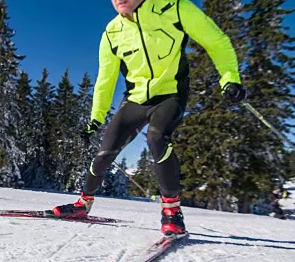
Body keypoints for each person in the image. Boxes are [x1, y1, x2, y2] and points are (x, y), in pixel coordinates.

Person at [52, 0, 247, 235]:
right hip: (135, 100)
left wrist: (229, 78)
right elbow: (105, 79)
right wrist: (95, 119)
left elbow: (217, 41)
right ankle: (82, 205)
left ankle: (172, 212)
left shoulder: (175, 8)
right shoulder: (112, 32)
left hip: (170, 94)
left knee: (156, 138)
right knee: (103, 155)